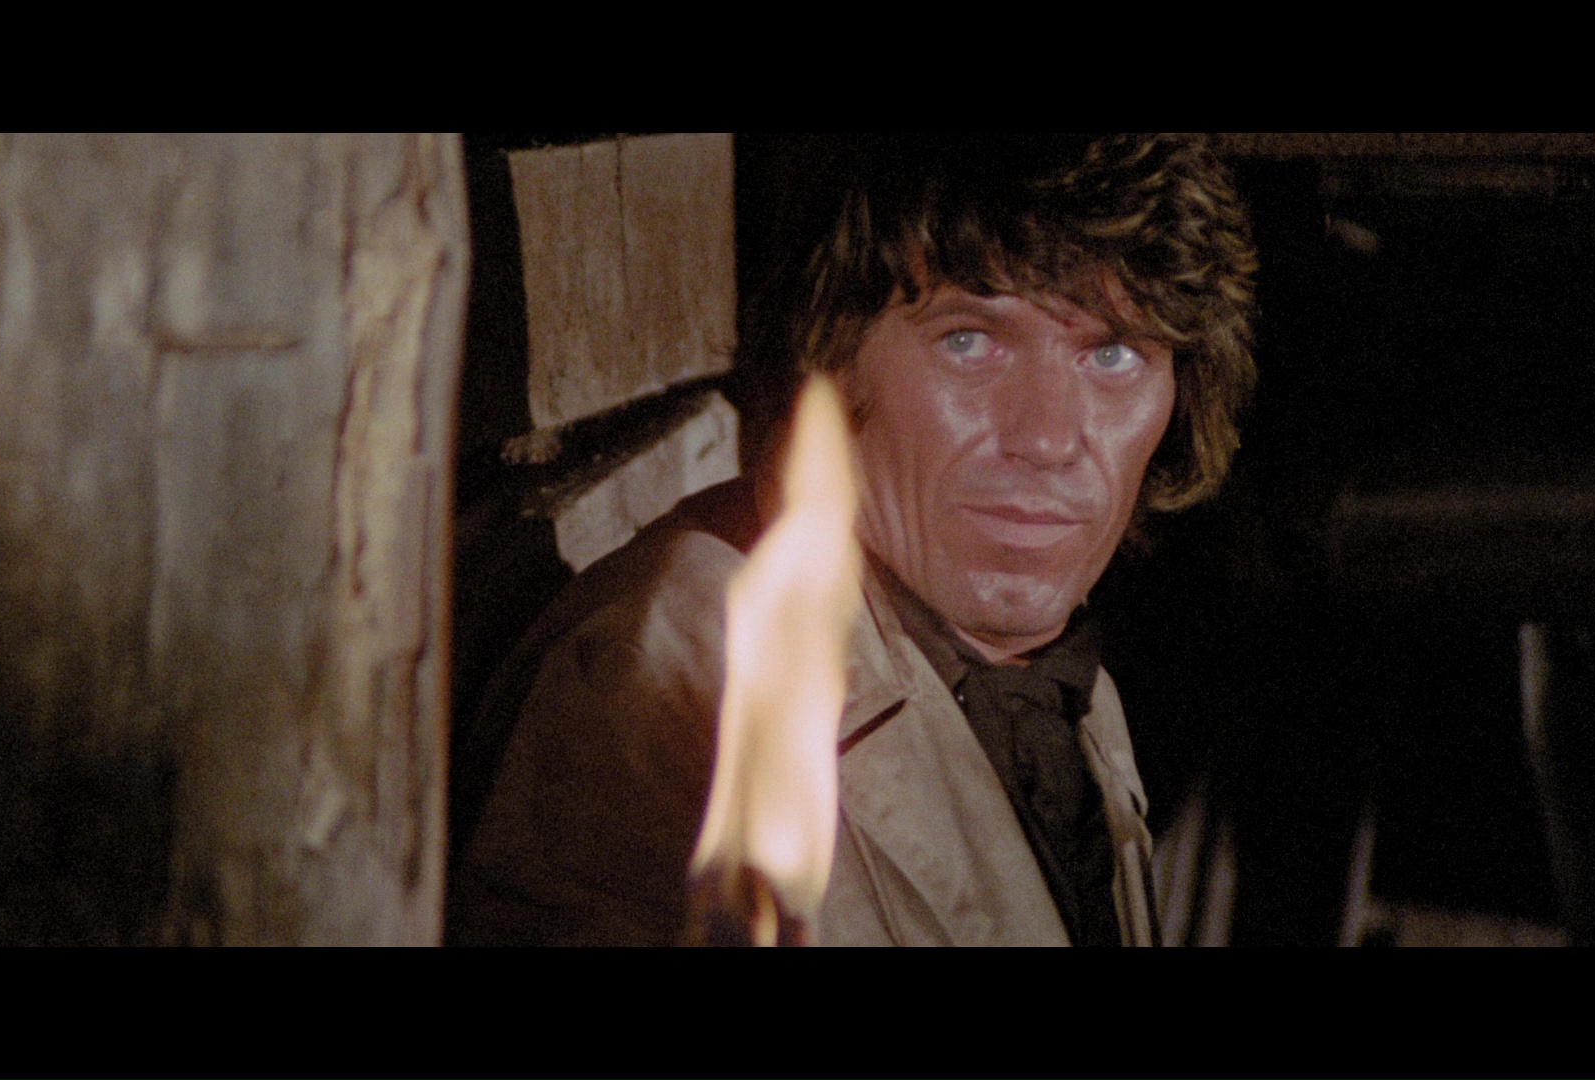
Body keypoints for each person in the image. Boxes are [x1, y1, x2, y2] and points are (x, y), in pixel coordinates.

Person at [448, 133, 1258, 945]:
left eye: (1112, 355)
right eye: (968, 342)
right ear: (833, 361)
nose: (1046, 437)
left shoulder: (1054, 676)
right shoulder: (670, 685)